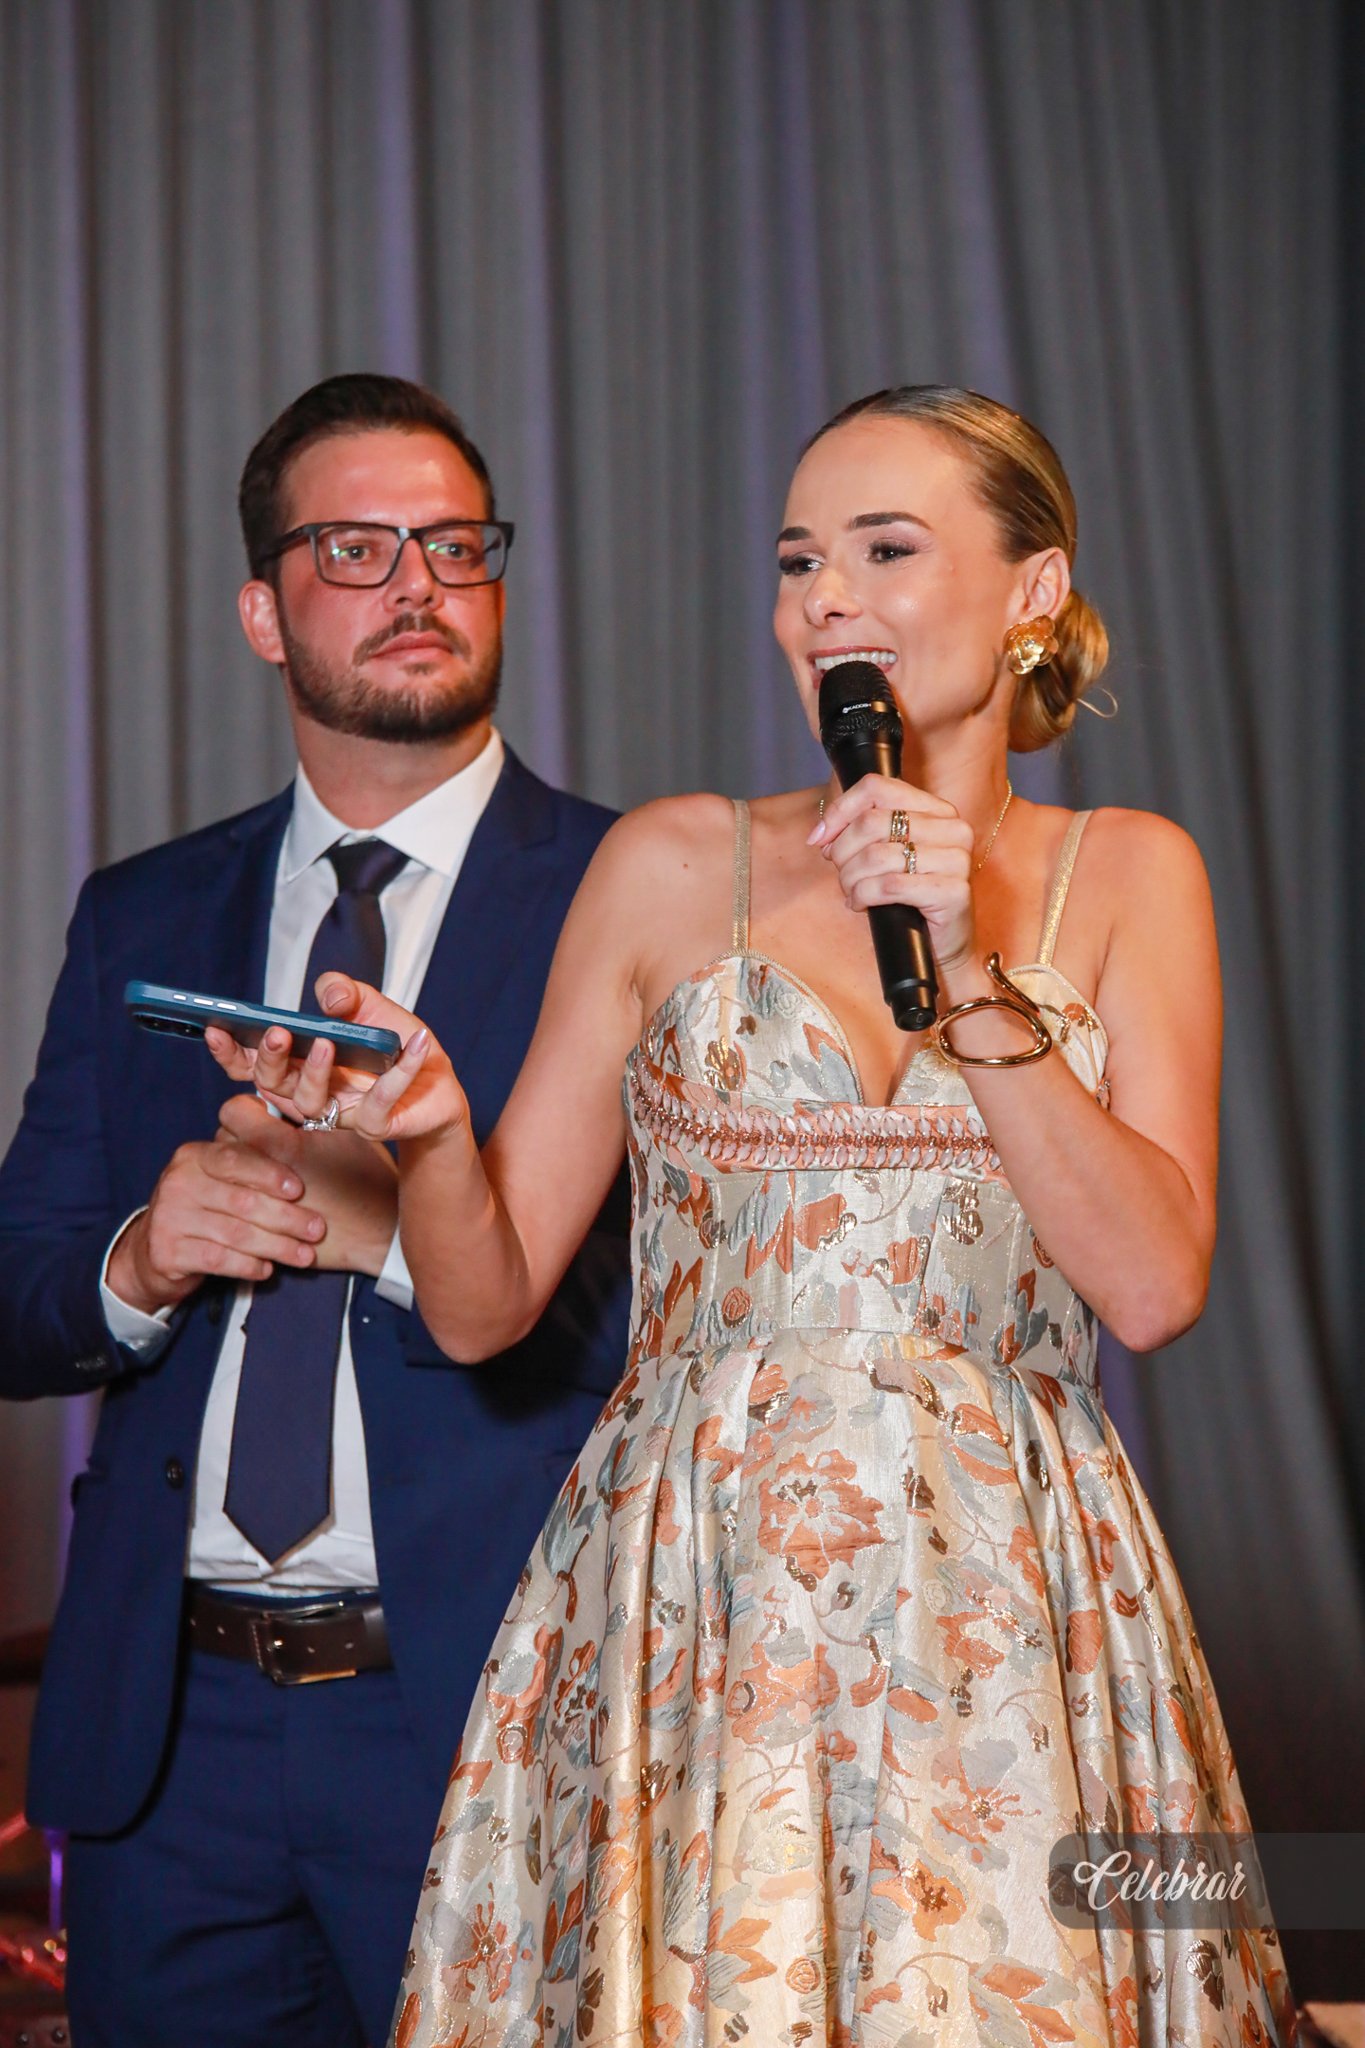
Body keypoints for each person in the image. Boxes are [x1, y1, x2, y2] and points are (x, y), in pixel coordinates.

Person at [217, 387, 1295, 2046]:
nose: (824, 602)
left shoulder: (1131, 874)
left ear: (1031, 591)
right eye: (798, 563)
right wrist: (429, 1136)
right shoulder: (668, 863)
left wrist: (963, 959)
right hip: (691, 1597)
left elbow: (1151, 1287)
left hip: (1012, 1607)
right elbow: (483, 1310)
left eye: (883, 550)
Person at [0, 372, 630, 2048]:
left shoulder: (624, 897)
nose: (417, 583)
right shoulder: (142, 909)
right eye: (355, 549)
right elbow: (15, 1293)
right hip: (167, 1746)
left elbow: (705, 1326)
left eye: (455, 545)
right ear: (264, 613)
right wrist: (144, 1257)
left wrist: (408, 1226)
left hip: (482, 1714)